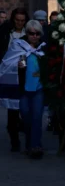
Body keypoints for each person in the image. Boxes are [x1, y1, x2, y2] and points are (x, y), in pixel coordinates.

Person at [0, 21, 45, 158]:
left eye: (37, 33)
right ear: (27, 33)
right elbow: (7, 63)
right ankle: (29, 144)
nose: (34, 36)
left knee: (37, 117)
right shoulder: (18, 45)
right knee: (26, 117)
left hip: (39, 89)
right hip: (24, 89)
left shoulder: (44, 48)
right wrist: (17, 65)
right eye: (31, 33)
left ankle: (35, 146)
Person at [0, 8, 28, 152]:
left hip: (24, 72)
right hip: (9, 74)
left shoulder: (28, 32)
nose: (19, 23)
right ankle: (14, 139)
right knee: (12, 109)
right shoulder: (6, 32)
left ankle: (24, 132)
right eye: (17, 20)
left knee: (24, 106)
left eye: (22, 21)